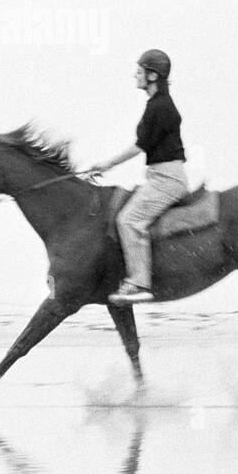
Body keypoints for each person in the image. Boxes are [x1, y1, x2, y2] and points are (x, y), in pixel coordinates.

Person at [85, 49, 188, 304]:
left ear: (152, 76)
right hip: (158, 175)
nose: (135, 76)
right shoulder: (156, 104)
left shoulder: (160, 107)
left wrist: (107, 164)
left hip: (167, 179)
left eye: (139, 72)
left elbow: (141, 145)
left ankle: (140, 281)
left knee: (129, 220)